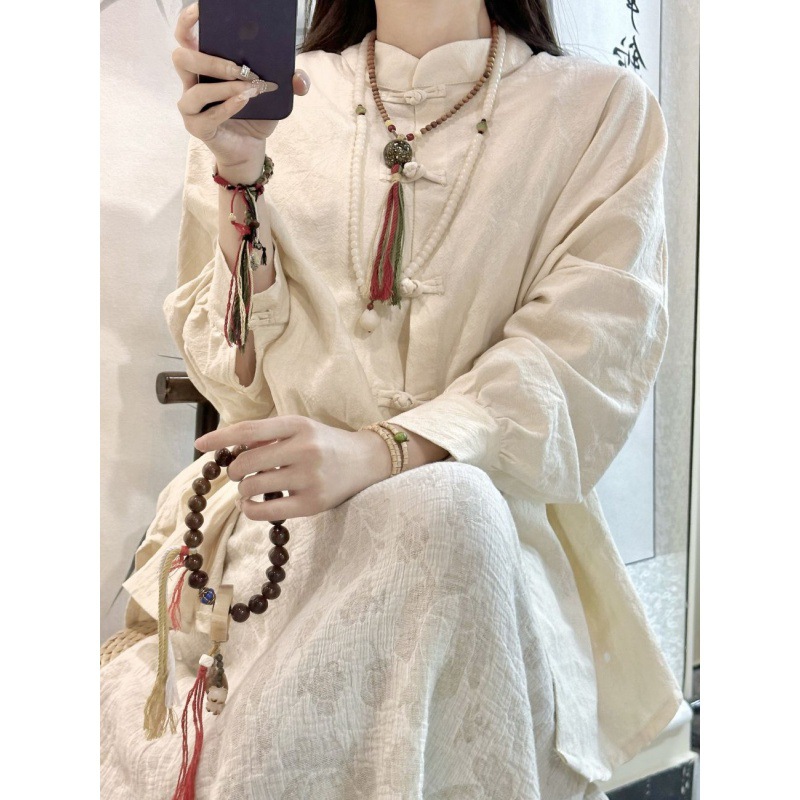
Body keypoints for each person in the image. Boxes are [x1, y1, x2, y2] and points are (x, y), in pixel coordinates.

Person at [100, 1, 683, 797]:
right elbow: (236, 380)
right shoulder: (279, 99)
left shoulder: (600, 114)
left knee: (447, 509)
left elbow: (583, 357)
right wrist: (238, 172)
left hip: (487, 547)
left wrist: (383, 452)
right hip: (279, 540)